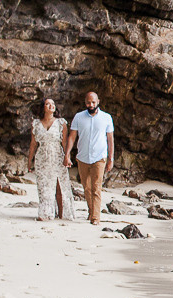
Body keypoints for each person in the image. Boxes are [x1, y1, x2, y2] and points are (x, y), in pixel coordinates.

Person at [64, 90, 115, 225]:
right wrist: (67, 154)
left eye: (93, 102)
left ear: (98, 102)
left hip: (99, 157)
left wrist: (111, 159)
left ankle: (95, 218)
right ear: (85, 103)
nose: (91, 104)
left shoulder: (106, 118)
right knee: (86, 187)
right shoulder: (79, 117)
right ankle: (91, 211)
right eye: (88, 102)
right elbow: (72, 137)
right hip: (82, 157)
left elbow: (110, 140)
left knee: (96, 187)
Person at [24, 98, 71, 222]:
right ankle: (45, 213)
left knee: (59, 186)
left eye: (53, 104)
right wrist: (29, 161)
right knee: (44, 186)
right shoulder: (36, 123)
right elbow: (33, 144)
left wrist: (67, 157)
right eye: (48, 104)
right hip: (42, 158)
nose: (51, 106)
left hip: (57, 156)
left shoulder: (61, 123)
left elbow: (64, 143)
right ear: (43, 107)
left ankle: (62, 214)